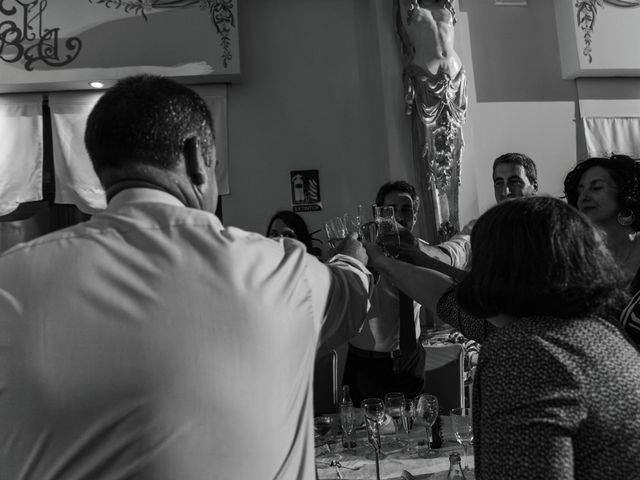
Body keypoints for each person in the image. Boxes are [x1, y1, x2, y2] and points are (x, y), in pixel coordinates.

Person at [0, 75, 373, 480]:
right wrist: (353, 256)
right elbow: (352, 296)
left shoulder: (11, 280)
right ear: (197, 159)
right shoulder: (283, 272)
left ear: (100, 168)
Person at [366, 196, 640, 479]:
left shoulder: (524, 353)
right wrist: (384, 263)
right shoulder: (594, 330)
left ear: (499, 269)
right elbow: (443, 297)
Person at [394, 0, 467, 238]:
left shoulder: (445, 3)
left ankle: (451, 230)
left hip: (455, 80)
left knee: (454, 155)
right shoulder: (408, 3)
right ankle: (439, 233)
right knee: (431, 158)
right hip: (426, 79)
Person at [564, 154, 640, 282]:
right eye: (580, 191)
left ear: (625, 192)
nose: (584, 197)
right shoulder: (577, 260)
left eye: (596, 188)